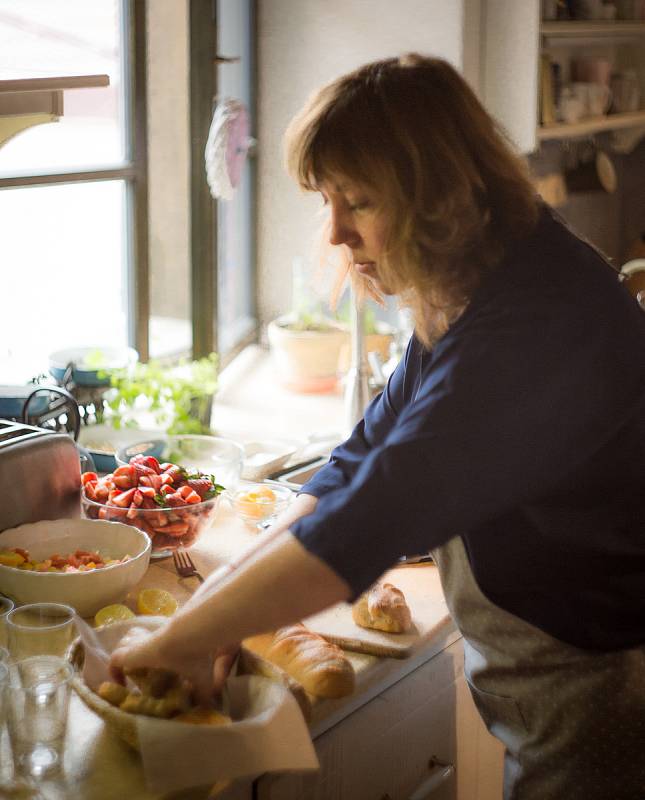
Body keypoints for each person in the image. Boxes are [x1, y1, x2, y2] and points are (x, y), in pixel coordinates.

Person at [111, 54, 645, 799]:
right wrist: (213, 617)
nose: (334, 232)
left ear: (441, 198)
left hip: (602, 682)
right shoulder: (479, 281)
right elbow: (354, 465)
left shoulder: (534, 322)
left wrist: (177, 640)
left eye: (356, 201)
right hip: (548, 670)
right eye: (327, 199)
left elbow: (369, 518)